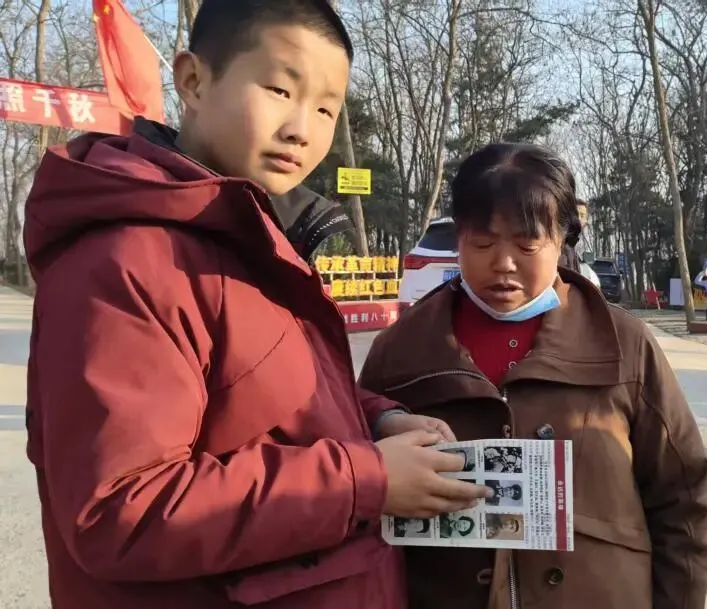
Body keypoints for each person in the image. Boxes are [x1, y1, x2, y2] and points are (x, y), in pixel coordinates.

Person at [22, 2, 489, 608]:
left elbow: (268, 403)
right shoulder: (127, 262)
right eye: (279, 90)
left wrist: (376, 420)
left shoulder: (258, 245)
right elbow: (122, 511)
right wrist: (367, 479)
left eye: (326, 108)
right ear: (193, 80)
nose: (302, 128)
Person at [359, 142, 707, 609]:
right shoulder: (401, 349)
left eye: (527, 245)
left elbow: (681, 501)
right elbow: (360, 490)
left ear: (562, 240)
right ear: (459, 237)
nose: (503, 263)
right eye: (482, 243)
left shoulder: (624, 345)